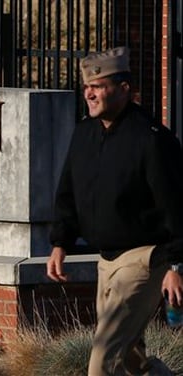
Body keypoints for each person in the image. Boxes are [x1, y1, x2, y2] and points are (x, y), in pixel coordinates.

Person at [46, 46, 183, 375]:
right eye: (87, 87)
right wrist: (60, 243)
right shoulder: (84, 134)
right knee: (131, 359)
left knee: (103, 360)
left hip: (144, 261)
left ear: (124, 89)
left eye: (99, 86)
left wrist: (176, 265)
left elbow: (176, 206)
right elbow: (68, 190)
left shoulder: (151, 140)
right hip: (105, 263)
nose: (90, 93)